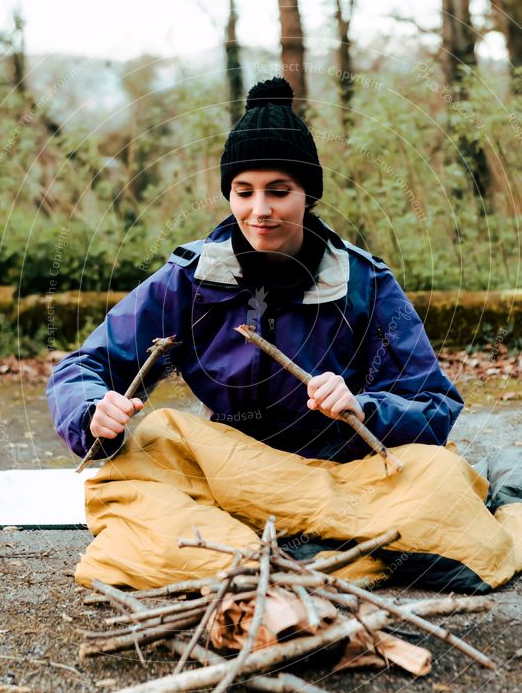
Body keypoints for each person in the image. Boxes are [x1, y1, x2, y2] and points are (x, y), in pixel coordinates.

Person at [46, 77, 521, 592]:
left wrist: (365, 407)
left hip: (343, 483)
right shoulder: (188, 279)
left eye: (279, 191)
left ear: (308, 194)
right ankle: (329, 558)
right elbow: (82, 367)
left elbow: (433, 403)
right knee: (144, 453)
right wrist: (93, 409)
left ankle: (257, 560)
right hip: (230, 477)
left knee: (437, 478)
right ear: (229, 193)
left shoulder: (364, 282)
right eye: (243, 192)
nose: (260, 210)